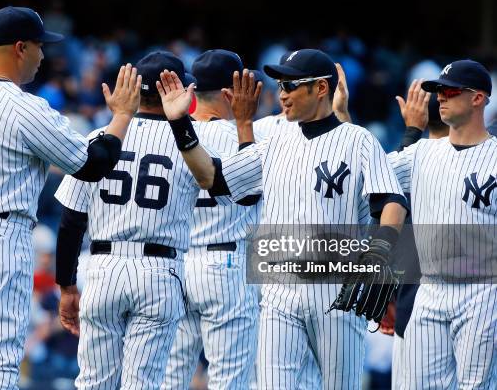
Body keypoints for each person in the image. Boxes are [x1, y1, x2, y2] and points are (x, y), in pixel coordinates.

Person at [0, 6, 140, 389]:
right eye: (38, 46)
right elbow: (91, 164)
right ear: (19, 48)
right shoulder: (25, 108)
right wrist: (121, 117)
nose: (43, 55)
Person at [156, 48, 408, 389]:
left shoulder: (358, 140)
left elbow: (391, 201)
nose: (281, 94)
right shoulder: (275, 140)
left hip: (336, 285)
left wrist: (381, 253)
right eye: (280, 85)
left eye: (290, 85)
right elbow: (211, 177)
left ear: (320, 88)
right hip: (279, 289)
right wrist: (180, 125)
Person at [53, 50, 255, 389]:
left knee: (92, 382)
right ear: (177, 90)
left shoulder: (100, 138)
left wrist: (67, 285)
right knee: (144, 383)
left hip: (103, 268)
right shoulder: (193, 141)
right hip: (160, 271)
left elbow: (71, 221)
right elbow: (230, 184)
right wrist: (245, 124)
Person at [388, 59, 497, 389]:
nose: (441, 98)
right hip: (430, 289)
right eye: (438, 91)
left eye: (449, 90)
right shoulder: (421, 152)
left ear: (478, 98)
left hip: (482, 290)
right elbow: (366, 176)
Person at [162, 49, 262, 389]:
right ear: (231, 93)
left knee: (169, 377)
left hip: (175, 264)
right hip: (225, 264)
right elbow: (249, 193)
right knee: (230, 380)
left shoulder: (169, 137)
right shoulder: (247, 138)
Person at [378, 82, 448, 389]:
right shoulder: (485, 157)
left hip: (412, 303)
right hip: (472, 303)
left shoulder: (406, 164)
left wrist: (411, 131)